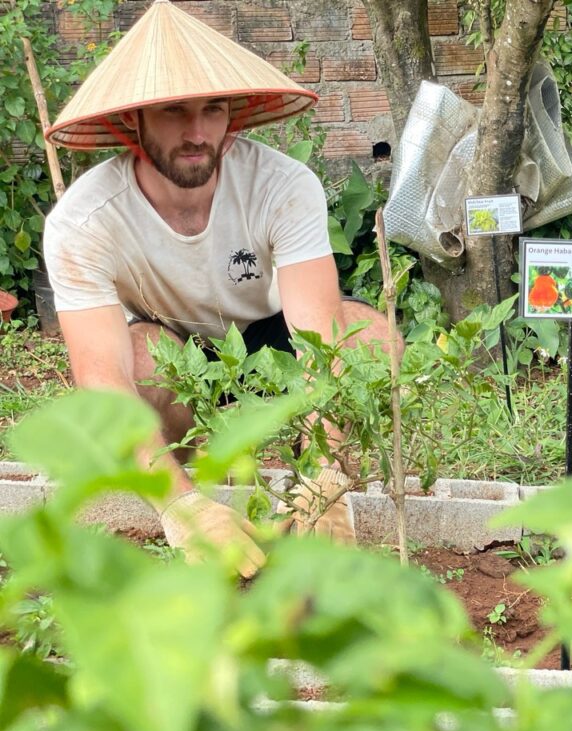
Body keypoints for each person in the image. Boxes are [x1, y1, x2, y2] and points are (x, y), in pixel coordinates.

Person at [43, 0, 391, 577]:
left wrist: (328, 471)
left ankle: (313, 503)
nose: (198, 131)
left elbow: (319, 334)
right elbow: (101, 377)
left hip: (272, 343)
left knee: (368, 339)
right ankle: (188, 497)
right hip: (180, 353)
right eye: (174, 110)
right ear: (135, 122)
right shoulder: (84, 220)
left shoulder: (283, 185)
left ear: (234, 114)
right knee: (137, 360)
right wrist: (181, 506)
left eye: (213, 108)